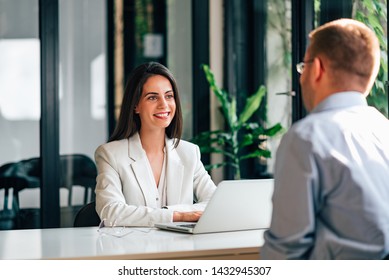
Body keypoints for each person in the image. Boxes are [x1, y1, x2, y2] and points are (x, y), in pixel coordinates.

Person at [261, 19, 389, 259]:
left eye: (303, 66)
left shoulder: (306, 138)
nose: (301, 77)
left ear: (318, 68)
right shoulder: (383, 129)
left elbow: (285, 251)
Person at [95, 62, 216, 227]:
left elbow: (214, 203)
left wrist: (166, 212)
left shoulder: (189, 153)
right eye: (152, 97)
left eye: (169, 96)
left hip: (180, 248)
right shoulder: (110, 155)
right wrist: (177, 216)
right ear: (136, 106)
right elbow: (111, 213)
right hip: (132, 249)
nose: (164, 105)